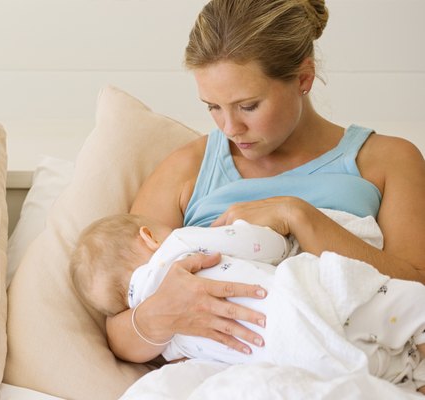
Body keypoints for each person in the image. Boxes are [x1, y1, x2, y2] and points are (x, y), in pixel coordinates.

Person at [104, 0, 425, 384]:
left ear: (304, 77)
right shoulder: (186, 170)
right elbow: (119, 331)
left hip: (347, 366)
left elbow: (416, 291)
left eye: (248, 106)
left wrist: (298, 215)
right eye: (213, 107)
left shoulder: (387, 160)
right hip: (223, 377)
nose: (230, 127)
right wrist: (161, 313)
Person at [71, 213, 425, 392]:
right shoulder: (178, 245)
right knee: (395, 305)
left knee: (368, 368)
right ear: (148, 237)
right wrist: (279, 241)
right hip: (303, 299)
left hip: (289, 356)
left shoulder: (171, 345)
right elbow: (254, 243)